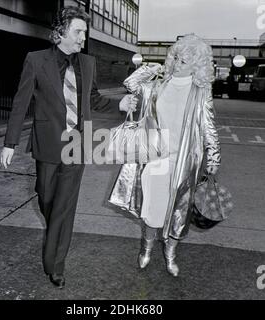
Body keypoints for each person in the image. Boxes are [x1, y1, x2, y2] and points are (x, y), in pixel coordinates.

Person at [0, 6, 115, 289]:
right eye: (78, 31)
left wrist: (120, 104)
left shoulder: (88, 63)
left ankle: (55, 265)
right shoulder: (36, 60)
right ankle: (55, 236)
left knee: (64, 207)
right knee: (46, 198)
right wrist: (10, 142)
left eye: (84, 33)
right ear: (61, 31)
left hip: (77, 143)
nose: (82, 38)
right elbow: (21, 101)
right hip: (48, 143)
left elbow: (95, 98)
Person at [114, 34, 221, 277]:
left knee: (179, 211)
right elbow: (130, 84)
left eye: (185, 60)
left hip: (184, 160)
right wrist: (150, 68)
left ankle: (171, 254)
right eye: (176, 57)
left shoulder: (201, 91)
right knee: (153, 208)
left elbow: (208, 125)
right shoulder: (159, 83)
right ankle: (147, 248)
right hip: (156, 158)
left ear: (197, 65)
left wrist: (213, 156)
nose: (178, 62)